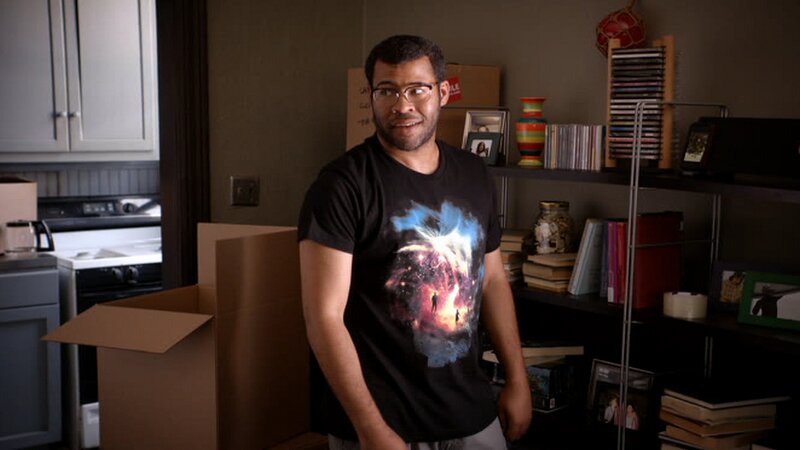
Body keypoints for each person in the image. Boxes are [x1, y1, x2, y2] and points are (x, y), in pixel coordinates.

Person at [298, 34, 532, 450]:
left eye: (417, 89)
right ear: (371, 95)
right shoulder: (342, 186)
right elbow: (324, 318)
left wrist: (517, 379)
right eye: (387, 90)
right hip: (381, 421)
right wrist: (371, 429)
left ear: (442, 93)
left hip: (469, 411)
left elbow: (494, 281)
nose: (402, 105)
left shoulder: (474, 173)